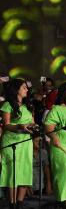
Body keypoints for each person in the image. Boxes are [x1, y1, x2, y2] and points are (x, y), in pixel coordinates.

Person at [0, 79, 35, 209]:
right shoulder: (8, 105)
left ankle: (19, 203)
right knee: (12, 172)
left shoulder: (28, 106)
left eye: (27, 88)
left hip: (25, 142)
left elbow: (32, 122)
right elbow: (6, 125)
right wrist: (20, 126)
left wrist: (34, 127)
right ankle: (12, 204)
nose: (27, 90)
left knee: (24, 171)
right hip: (11, 142)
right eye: (24, 87)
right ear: (16, 90)